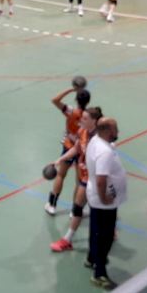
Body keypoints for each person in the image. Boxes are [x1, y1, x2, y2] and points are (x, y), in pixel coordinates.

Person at [51, 106, 102, 252]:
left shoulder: (100, 139)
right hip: (86, 177)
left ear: (94, 121)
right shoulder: (83, 131)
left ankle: (109, 231)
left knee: (99, 208)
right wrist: (60, 159)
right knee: (78, 207)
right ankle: (67, 240)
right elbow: (76, 148)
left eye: (85, 118)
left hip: (97, 179)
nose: (81, 120)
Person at [85, 117, 127, 289]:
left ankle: (91, 258)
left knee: (95, 231)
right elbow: (101, 179)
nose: (118, 131)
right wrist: (104, 198)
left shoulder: (95, 140)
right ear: (107, 131)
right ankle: (99, 274)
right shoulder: (104, 152)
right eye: (115, 129)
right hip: (104, 201)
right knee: (105, 237)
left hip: (96, 196)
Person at [46, 83, 91, 215]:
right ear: (88, 101)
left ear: (76, 99)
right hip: (81, 150)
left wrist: (71, 89)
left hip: (68, 147)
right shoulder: (88, 117)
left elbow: (55, 100)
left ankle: (52, 205)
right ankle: (74, 211)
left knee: (61, 175)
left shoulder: (71, 111)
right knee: (79, 181)